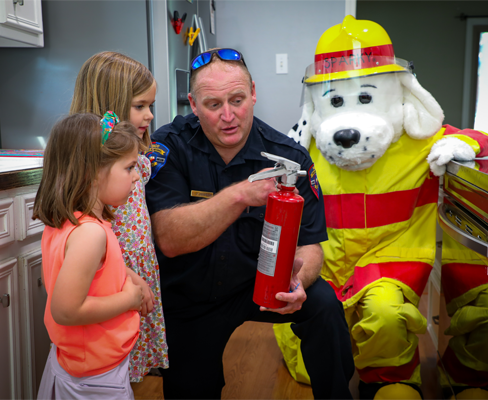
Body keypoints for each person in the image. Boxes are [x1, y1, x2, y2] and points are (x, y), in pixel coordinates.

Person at [145, 48, 355, 400]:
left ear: (254, 93)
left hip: (261, 285)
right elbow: (169, 238)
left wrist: (297, 283)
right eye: (213, 105)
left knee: (324, 305)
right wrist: (239, 195)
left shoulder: (290, 156)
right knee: (192, 389)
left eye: (238, 100)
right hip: (190, 296)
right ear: (193, 106)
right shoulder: (169, 147)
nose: (229, 116)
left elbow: (311, 246)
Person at [70, 51, 169, 381]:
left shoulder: (134, 158)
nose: (150, 115)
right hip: (115, 275)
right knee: (111, 362)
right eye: (140, 106)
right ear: (110, 103)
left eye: (150, 106)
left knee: (127, 369)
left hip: (138, 266)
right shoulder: (97, 171)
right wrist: (127, 277)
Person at [33, 112, 144, 399]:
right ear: (93, 171)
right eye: (130, 167)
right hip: (95, 379)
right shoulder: (90, 234)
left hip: (81, 364)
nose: (137, 175)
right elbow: (67, 310)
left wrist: (133, 279)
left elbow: (96, 272)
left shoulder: (73, 222)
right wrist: (130, 299)